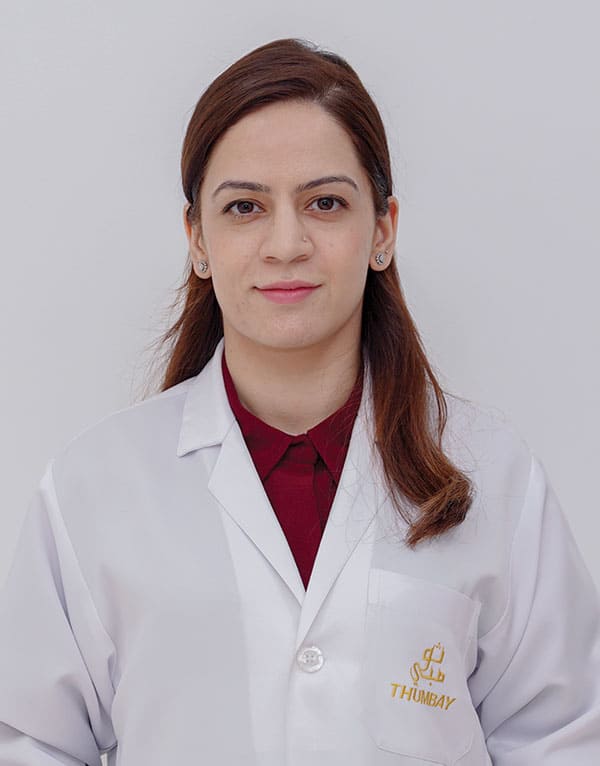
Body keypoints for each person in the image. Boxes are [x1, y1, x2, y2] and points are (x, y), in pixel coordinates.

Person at [0, 36, 599, 766]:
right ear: (197, 238)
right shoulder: (93, 489)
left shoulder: (495, 476)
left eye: (325, 203)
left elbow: (562, 741)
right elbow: (31, 745)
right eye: (244, 207)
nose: (286, 244)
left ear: (382, 230)